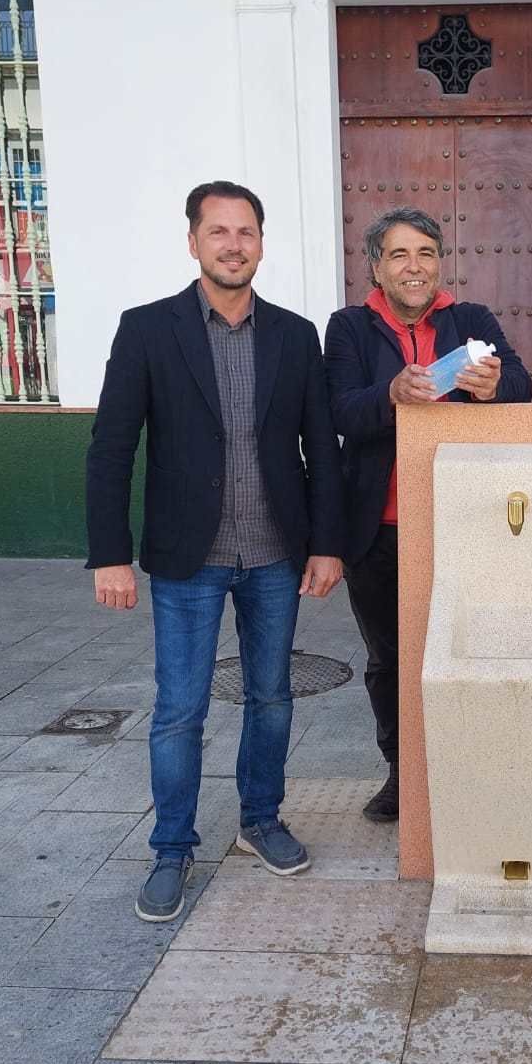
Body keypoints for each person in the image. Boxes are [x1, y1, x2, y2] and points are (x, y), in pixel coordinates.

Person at [86, 180, 346, 923]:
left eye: (247, 232)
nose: (234, 245)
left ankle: (260, 819)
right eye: (219, 231)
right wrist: (110, 554)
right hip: (186, 558)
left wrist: (326, 545)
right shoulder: (147, 329)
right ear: (194, 241)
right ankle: (172, 849)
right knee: (180, 710)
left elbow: (321, 451)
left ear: (261, 243)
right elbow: (111, 448)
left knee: (272, 697)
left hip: (274, 555)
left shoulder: (294, 335)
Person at [323, 206, 532, 823]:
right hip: (379, 530)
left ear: (440, 263)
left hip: (465, 523)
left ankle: (470, 770)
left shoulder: (471, 320)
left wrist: (494, 387)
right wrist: (391, 395)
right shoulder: (349, 328)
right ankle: (404, 773)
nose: (414, 267)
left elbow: (521, 384)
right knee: (391, 659)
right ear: (376, 267)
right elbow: (340, 410)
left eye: (425, 254)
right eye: (399, 255)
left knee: (472, 651)